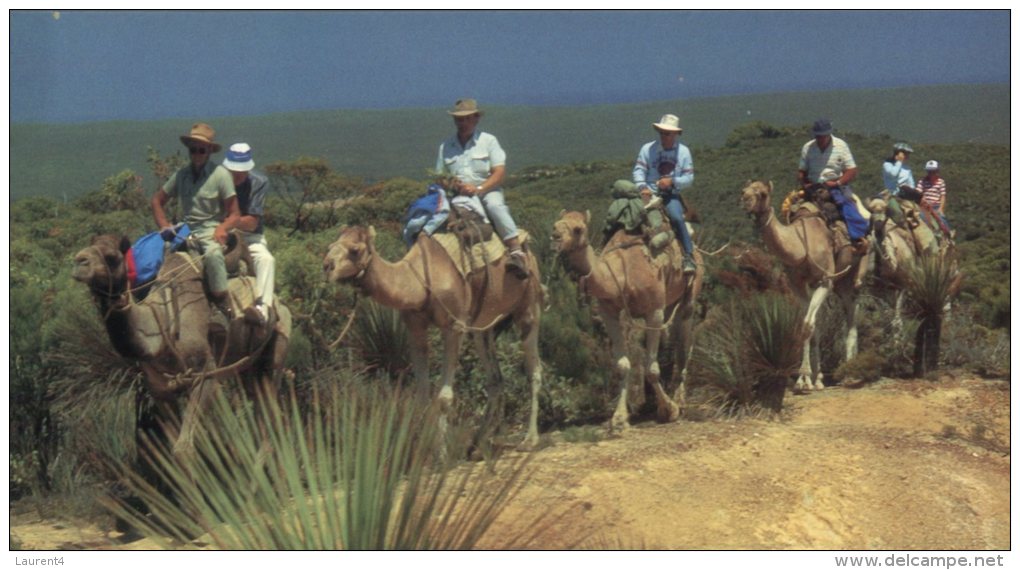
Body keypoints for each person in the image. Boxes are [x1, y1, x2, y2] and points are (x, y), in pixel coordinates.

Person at [151, 122, 239, 313]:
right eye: (193, 150)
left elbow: (234, 214)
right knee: (152, 254)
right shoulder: (181, 175)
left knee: (214, 256)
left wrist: (222, 228)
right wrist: (164, 225)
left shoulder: (221, 175)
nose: (196, 154)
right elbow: (157, 200)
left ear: (209, 151)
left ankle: (222, 304)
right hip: (184, 229)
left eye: (201, 150)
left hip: (209, 230)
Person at [436, 98, 527, 277]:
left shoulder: (489, 141)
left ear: (476, 118)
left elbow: (499, 172)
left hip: (486, 191)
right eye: (459, 119)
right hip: (458, 194)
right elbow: (440, 176)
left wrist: (479, 189)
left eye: (467, 118)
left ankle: (515, 250)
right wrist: (451, 184)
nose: (462, 123)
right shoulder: (445, 146)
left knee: (495, 207)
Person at [632, 113, 697, 274]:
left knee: (675, 216)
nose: (664, 136)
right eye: (661, 132)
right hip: (648, 193)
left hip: (670, 194)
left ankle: (688, 256)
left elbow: (689, 178)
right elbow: (639, 170)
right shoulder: (648, 149)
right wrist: (642, 187)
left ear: (675, 134)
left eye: (667, 133)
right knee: (629, 214)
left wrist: (672, 181)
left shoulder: (683, 152)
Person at [222, 143, 276, 326]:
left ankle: (263, 309)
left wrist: (228, 221)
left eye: (241, 172)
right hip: (220, 233)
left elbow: (252, 223)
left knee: (266, 260)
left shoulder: (259, 182)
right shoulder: (217, 180)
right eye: (233, 171)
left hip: (249, 237)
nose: (237, 175)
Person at [797, 118, 868, 251]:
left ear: (829, 134)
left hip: (836, 185)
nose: (820, 139)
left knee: (847, 205)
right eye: (818, 136)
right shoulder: (808, 147)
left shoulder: (841, 146)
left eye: (823, 136)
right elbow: (802, 171)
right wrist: (805, 183)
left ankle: (858, 238)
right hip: (813, 186)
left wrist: (838, 182)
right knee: (793, 209)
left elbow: (851, 169)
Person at [917, 160, 952, 240]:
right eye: (929, 171)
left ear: (937, 171)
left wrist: (941, 208)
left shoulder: (941, 182)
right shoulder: (922, 181)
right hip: (924, 206)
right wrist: (922, 199)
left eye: (933, 171)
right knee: (920, 216)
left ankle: (948, 236)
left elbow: (942, 196)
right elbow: (918, 192)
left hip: (936, 205)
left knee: (941, 218)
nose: (931, 174)